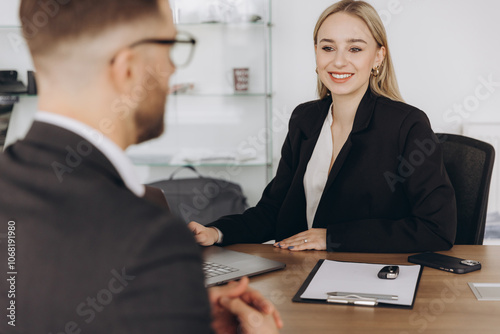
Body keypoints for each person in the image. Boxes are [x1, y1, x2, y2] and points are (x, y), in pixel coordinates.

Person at [0, 0, 281, 333]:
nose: (174, 70)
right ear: (128, 67)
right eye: (169, 47)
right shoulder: (153, 243)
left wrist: (164, 308)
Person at [189, 0, 457, 253]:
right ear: (316, 53)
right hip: (300, 272)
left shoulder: (407, 125)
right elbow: (273, 210)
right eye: (328, 48)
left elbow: (436, 229)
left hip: (373, 279)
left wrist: (331, 238)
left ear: (378, 57)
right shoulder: (305, 119)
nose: (338, 61)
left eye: (355, 48)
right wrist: (217, 231)